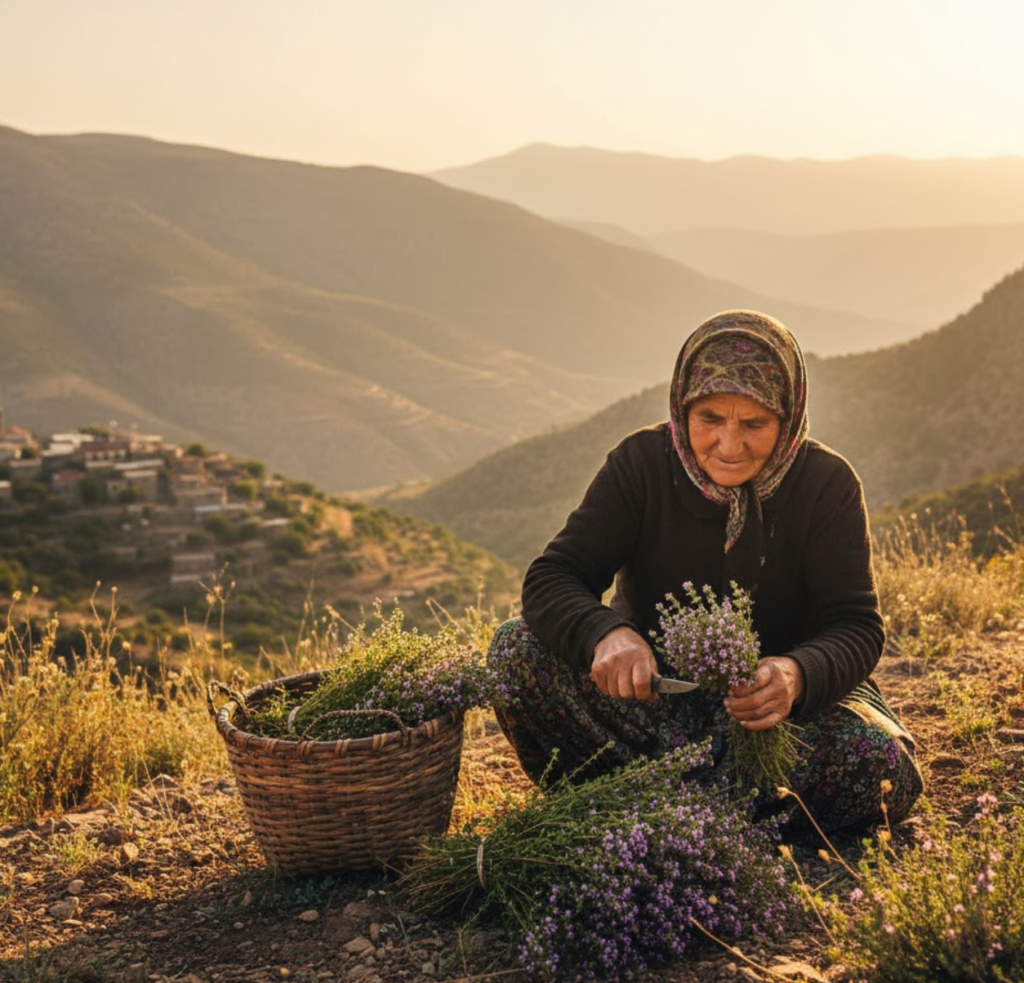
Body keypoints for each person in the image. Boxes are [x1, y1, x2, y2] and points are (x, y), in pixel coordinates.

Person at [487, 310, 923, 831]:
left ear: (788, 416)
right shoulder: (641, 466)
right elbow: (553, 577)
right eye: (710, 419)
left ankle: (653, 810)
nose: (730, 446)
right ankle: (717, 813)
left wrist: (795, 675)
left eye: (755, 424)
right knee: (515, 650)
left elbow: (856, 625)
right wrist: (606, 634)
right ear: (682, 407)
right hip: (653, 704)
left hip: (782, 716)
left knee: (881, 766)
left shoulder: (827, 485)